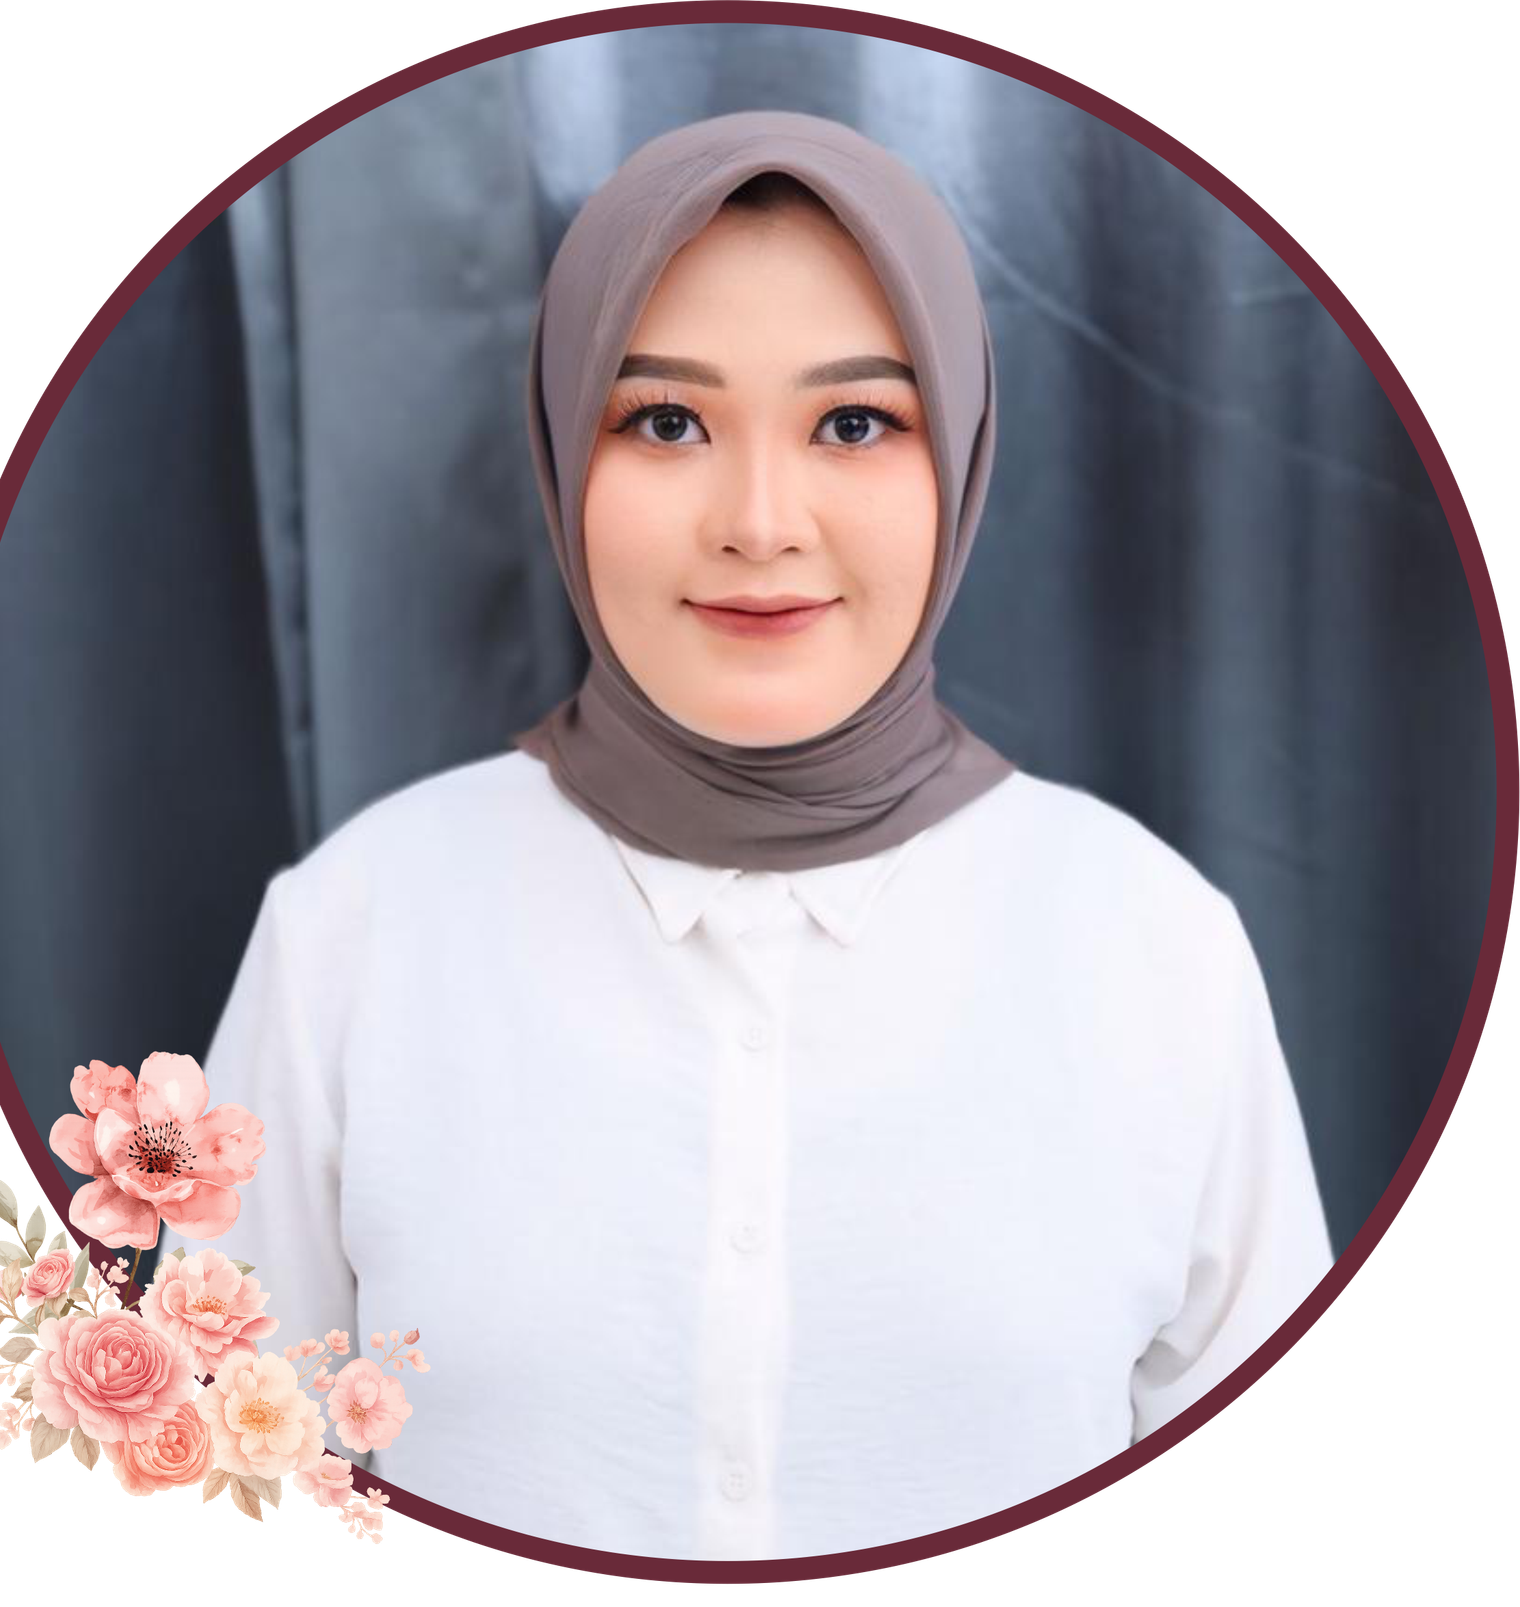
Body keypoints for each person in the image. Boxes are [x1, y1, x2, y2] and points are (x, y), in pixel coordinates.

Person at [158, 110, 1334, 1561]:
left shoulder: (1155, 946)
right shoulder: (352, 932)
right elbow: (214, 1459)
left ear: (959, 450)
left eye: (855, 423)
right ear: (563, 444)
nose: (761, 524)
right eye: (666, 421)